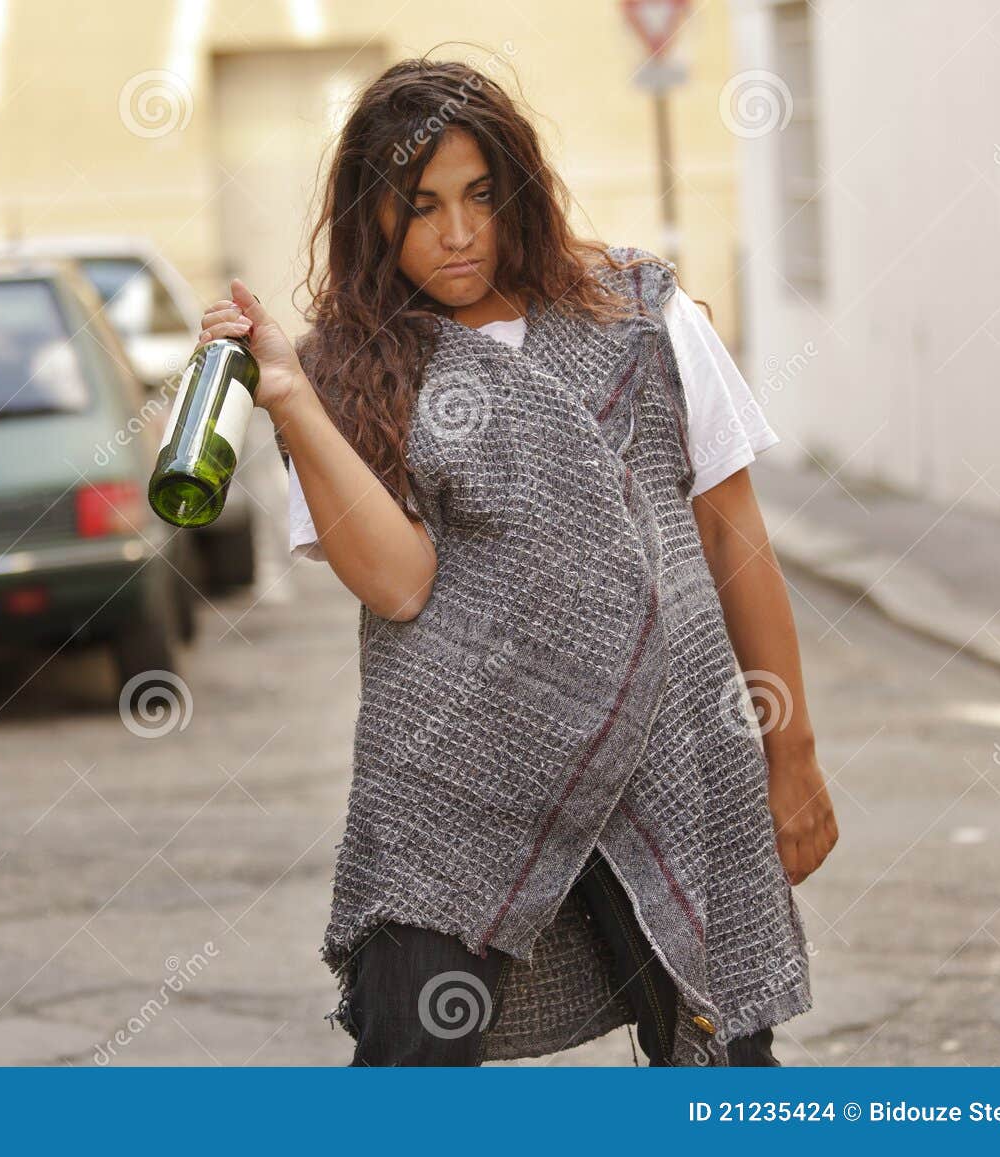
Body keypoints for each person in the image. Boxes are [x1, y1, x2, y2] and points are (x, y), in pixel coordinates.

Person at [197, 56, 838, 1067]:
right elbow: (399, 580)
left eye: (480, 197)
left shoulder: (639, 315)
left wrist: (790, 755)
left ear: (519, 193)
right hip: (458, 773)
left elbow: (729, 533)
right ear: (372, 218)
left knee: (715, 1049)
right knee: (409, 1051)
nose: (455, 234)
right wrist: (287, 400)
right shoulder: (350, 373)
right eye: (419, 207)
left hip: (658, 742)